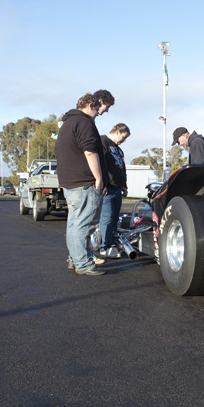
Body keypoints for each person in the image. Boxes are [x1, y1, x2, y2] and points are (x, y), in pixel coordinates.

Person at [57, 93, 107, 276]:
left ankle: (75, 258)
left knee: (74, 223)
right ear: (89, 105)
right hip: (84, 182)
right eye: (97, 108)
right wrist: (99, 178)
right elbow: (89, 151)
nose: (98, 113)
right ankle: (83, 264)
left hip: (70, 183)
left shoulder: (67, 123)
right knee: (84, 224)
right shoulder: (84, 123)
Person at [98, 123, 130, 258]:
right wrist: (102, 184)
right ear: (117, 132)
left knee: (114, 219)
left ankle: (112, 244)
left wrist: (124, 185)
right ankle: (104, 247)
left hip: (117, 189)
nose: (124, 140)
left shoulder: (118, 150)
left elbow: (122, 168)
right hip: (107, 189)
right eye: (123, 137)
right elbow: (99, 164)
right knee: (107, 218)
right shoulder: (102, 142)